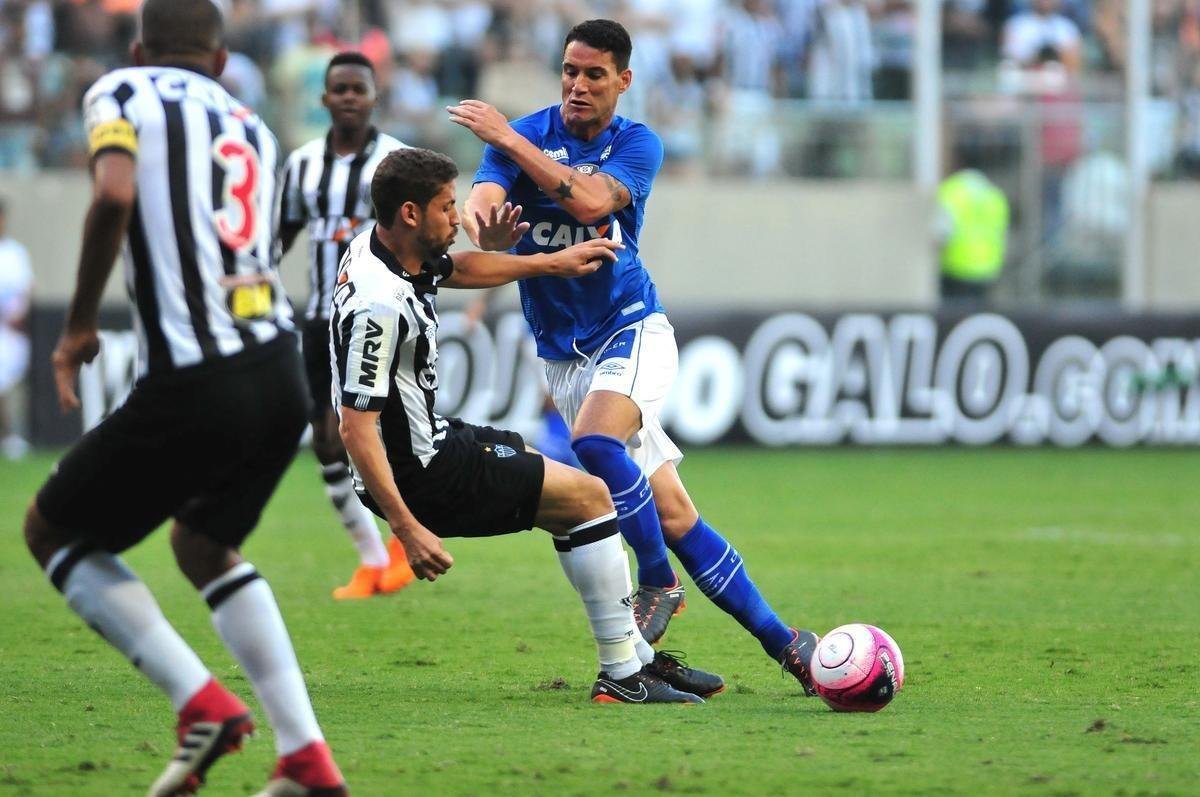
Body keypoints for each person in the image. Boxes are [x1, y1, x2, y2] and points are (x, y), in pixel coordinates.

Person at [22, 2, 346, 795]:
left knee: (52, 532)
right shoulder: (253, 127)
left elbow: (112, 193)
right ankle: (306, 756)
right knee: (202, 545)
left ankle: (202, 704)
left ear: (138, 50)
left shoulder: (123, 92)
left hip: (199, 373)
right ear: (223, 60)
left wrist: (75, 327)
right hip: (279, 372)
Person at [449, 18, 820, 696]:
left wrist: (506, 136)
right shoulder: (529, 133)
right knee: (675, 513)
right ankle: (789, 645)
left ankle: (656, 577)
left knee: (593, 440)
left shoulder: (636, 143)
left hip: (632, 327)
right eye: (569, 71)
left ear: (623, 80)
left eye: (594, 74)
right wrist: (489, 224)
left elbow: (591, 199)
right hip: (562, 354)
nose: (577, 85)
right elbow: (483, 203)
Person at [333, 146, 724, 705]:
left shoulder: (386, 251)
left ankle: (637, 660)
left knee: (573, 501)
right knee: (591, 498)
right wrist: (406, 527)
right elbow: (355, 427)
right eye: (447, 208)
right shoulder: (380, 304)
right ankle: (623, 671)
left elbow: (459, 268)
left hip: (436, 441)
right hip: (420, 474)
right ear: (411, 214)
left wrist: (551, 263)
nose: (459, 218)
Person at [279, 51, 415, 600]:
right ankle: (372, 557)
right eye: (341, 88)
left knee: (387, 431)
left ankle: (405, 538)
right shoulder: (303, 163)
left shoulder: (399, 160)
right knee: (326, 440)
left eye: (359, 88)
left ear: (374, 95)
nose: (350, 97)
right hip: (320, 318)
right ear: (325, 98)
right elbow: (279, 235)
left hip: (382, 311)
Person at [935, 148, 1010, 305]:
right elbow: (1002, 235)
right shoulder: (995, 195)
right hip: (987, 269)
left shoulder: (951, 190)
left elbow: (941, 231)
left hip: (956, 269)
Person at [0, 198, 32, 459]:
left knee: (10, 385)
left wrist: (19, 313)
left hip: (10, 333)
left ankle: (12, 436)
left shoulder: (15, 254)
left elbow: (27, 290)